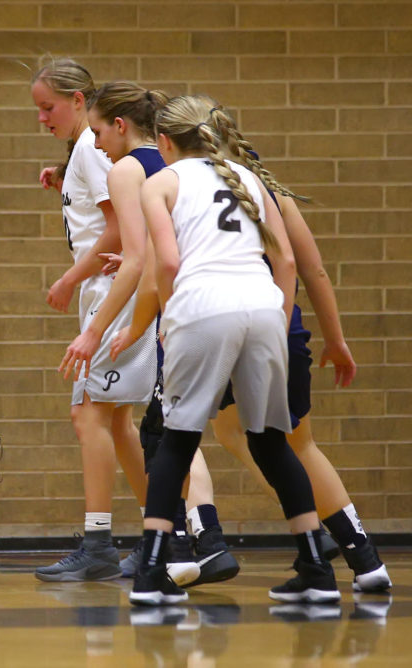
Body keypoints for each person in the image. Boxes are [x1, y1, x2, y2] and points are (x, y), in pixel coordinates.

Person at [129, 95, 339, 606]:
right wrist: (277, 316)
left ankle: (152, 572)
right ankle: (317, 569)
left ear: (163, 141)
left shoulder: (161, 182)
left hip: (203, 306)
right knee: (271, 442)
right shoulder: (250, 178)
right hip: (266, 310)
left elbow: (170, 264)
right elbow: (285, 260)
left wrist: (170, 323)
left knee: (175, 438)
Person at [64, 81, 238, 587]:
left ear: (120, 126)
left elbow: (142, 258)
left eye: (98, 132)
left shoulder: (127, 168)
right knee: (178, 428)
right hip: (215, 303)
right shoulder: (187, 167)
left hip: (168, 308)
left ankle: (162, 541)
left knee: (134, 424)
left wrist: (96, 330)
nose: (94, 144)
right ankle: (204, 538)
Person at [205, 126, 390, 594]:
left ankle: (308, 532)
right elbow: (316, 270)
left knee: (244, 437)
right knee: (294, 443)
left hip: (236, 329)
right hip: (287, 332)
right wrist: (336, 339)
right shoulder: (275, 195)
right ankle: (364, 558)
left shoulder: (194, 193)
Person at [29, 58, 155, 582]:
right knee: (118, 422)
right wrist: (64, 179)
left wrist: (68, 276)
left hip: (113, 288)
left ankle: (100, 540)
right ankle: (165, 533)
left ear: (80, 101)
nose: (42, 118)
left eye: (48, 107)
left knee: (88, 416)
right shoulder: (83, 152)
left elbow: (118, 231)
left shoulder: (92, 149)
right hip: (109, 289)